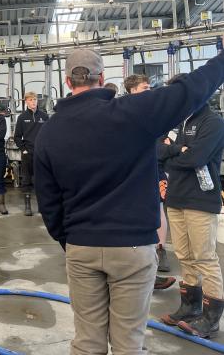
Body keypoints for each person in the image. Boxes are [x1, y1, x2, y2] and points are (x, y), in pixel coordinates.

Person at [34, 48, 224, 354]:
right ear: (103, 78)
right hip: (133, 248)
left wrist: (71, 241)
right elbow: (191, 88)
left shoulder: (49, 132)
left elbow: (48, 202)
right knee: (129, 344)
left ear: (68, 82)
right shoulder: (135, 112)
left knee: (87, 343)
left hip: (82, 247)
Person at [159, 75, 224, 338]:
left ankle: (210, 318)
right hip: (176, 198)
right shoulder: (179, 122)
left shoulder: (214, 123)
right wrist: (179, 150)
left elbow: (196, 157)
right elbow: (156, 151)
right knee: (184, 256)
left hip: (199, 201)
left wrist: (172, 153)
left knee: (205, 258)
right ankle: (190, 307)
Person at [124, 74, 175, 291]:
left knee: (157, 209)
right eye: (145, 88)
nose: (149, 91)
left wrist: (166, 148)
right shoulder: (123, 113)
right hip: (133, 171)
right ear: (132, 90)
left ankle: (159, 250)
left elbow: (165, 143)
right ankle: (136, 265)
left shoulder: (156, 112)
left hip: (156, 170)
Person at [13, 91, 48, 216]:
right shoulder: (22, 117)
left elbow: (48, 135)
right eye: (30, 100)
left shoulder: (44, 116)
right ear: (26, 102)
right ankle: (27, 206)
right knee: (26, 179)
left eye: (35, 100)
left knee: (41, 180)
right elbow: (17, 137)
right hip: (28, 154)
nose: (33, 102)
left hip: (41, 154)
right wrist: (23, 149)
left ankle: (42, 206)